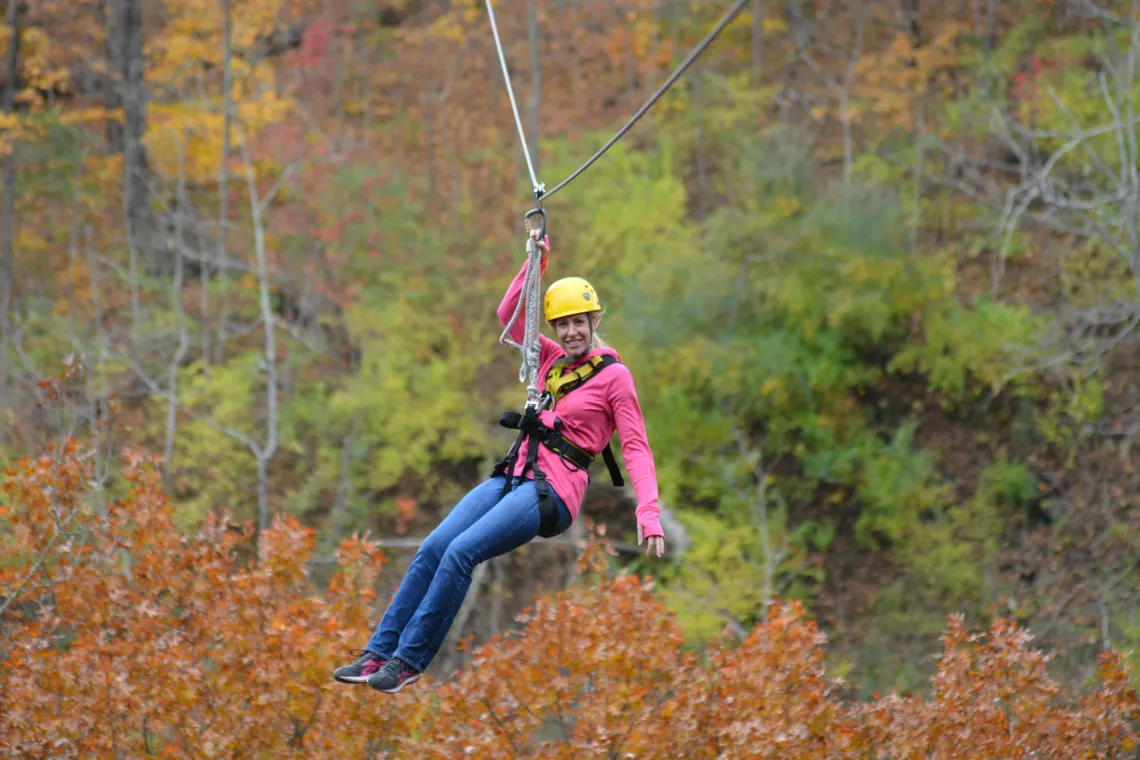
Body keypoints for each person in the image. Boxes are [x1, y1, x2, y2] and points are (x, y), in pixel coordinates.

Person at [332, 229, 667, 694]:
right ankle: (377, 654)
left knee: (460, 554)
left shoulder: (615, 378)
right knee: (433, 547)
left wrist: (648, 512)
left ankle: (407, 663)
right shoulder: (549, 360)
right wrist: (536, 263)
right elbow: (510, 319)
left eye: (579, 323)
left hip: (553, 493)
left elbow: (636, 447)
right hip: (514, 475)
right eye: (563, 324)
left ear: (594, 322)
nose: (571, 332)